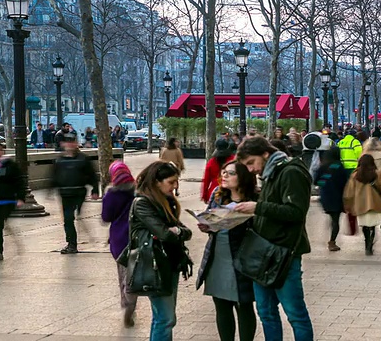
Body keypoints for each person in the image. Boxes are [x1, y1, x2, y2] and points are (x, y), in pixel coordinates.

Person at [234, 136, 314, 341]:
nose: (251, 169)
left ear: (265, 154)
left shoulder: (290, 172)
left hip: (285, 252)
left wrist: (258, 207)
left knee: (295, 314)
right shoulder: (271, 173)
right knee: (265, 311)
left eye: (251, 163)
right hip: (264, 252)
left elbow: (296, 212)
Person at [130, 161, 193, 341]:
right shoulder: (142, 203)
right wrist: (175, 232)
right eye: (171, 182)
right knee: (165, 318)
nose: (176, 186)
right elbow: (164, 234)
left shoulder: (167, 201)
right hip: (154, 264)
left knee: (164, 318)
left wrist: (178, 231)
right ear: (157, 181)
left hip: (169, 263)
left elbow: (184, 232)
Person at [197, 161, 257, 341]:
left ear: (243, 177)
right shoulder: (217, 194)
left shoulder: (255, 198)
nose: (224, 176)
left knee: (244, 304)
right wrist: (206, 225)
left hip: (242, 257)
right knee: (221, 304)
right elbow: (209, 215)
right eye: (223, 172)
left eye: (230, 173)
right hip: (218, 255)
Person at [101, 161, 138, 327]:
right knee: (134, 273)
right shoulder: (138, 193)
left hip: (118, 239)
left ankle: (126, 302)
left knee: (123, 273)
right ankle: (131, 302)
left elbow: (106, 217)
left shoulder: (111, 195)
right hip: (136, 237)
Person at [52, 134, 99, 254]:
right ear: (63, 144)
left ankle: (78, 222)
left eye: (72, 142)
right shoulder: (59, 160)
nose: (69, 145)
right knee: (68, 219)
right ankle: (71, 244)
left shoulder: (83, 159)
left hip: (79, 192)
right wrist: (51, 189)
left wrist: (95, 190)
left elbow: (92, 176)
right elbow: (54, 177)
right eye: (67, 142)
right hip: (65, 193)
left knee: (74, 216)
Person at [343, 154, 381, 256]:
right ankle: (370, 244)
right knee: (373, 226)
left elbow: (349, 193)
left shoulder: (355, 176)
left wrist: (348, 204)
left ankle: (367, 242)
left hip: (360, 205)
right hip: (375, 205)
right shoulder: (378, 175)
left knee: (365, 225)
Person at [314, 147, 348, 251]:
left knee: (332, 217)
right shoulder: (340, 167)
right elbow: (345, 183)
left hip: (325, 196)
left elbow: (316, 181)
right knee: (335, 220)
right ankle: (332, 241)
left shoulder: (322, 167)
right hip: (337, 197)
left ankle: (329, 233)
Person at [337, 129, 363, 235]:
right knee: (354, 186)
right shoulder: (355, 142)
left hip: (343, 167)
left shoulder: (341, 142)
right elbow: (360, 154)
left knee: (345, 186)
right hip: (353, 167)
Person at [201, 139, 235, 203]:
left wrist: (204, 195)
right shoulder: (234, 159)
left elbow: (206, 180)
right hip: (231, 190)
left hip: (214, 192)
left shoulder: (211, 162)